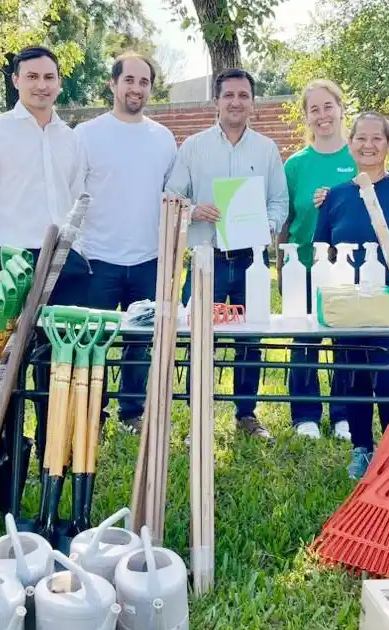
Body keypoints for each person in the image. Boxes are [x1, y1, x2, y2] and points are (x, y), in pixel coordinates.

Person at [166, 68, 289, 441]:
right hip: (208, 259)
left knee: (249, 340)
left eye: (243, 95)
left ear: (252, 102)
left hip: (252, 261)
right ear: (216, 101)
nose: (236, 102)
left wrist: (264, 225)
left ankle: (246, 414)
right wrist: (193, 210)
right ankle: (199, 419)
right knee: (200, 336)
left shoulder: (267, 149)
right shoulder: (193, 146)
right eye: (229, 95)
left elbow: (279, 202)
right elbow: (171, 197)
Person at [313, 112, 389, 478]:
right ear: (350, 144)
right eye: (361, 139)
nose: (368, 145)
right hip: (348, 309)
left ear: (388, 143)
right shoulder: (336, 197)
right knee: (353, 378)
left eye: (377, 139)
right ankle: (361, 448)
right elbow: (323, 251)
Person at [73, 53, 178, 435]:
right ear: (112, 84)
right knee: (94, 341)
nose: (136, 88)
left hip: (149, 257)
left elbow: (174, 195)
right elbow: (72, 194)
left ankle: (132, 411)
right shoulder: (86, 134)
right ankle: (92, 414)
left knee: (140, 343)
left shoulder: (163, 138)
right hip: (98, 258)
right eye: (129, 80)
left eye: (144, 82)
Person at [0, 45, 89, 306]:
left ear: (59, 82)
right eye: (32, 76)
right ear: (16, 80)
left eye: (49, 77)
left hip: (64, 259)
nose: (42, 85)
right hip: (14, 259)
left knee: (63, 343)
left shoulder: (70, 139)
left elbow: (76, 200)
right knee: (14, 344)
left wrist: (78, 249)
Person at [280, 79, 358, 442]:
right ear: (306, 117)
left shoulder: (357, 156)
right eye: (314, 109)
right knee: (304, 342)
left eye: (328, 106)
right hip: (304, 266)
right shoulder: (296, 165)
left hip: (349, 267)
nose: (323, 115)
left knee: (344, 342)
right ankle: (305, 415)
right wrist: (281, 266)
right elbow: (285, 220)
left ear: (341, 109)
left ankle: (344, 415)